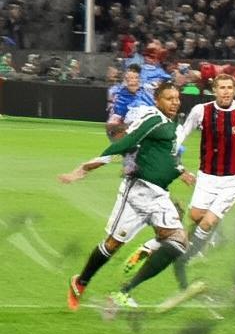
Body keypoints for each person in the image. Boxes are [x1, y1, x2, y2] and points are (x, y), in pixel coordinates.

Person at [120, 72, 235, 302]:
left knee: (208, 222)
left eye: (229, 88)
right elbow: (180, 136)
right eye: (221, 88)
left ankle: (185, 257)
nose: (226, 92)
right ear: (214, 90)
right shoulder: (201, 111)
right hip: (207, 176)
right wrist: (170, 158)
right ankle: (193, 241)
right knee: (196, 216)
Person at [58, 82, 195, 310]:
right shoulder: (152, 118)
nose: (175, 102)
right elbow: (126, 143)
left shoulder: (172, 124)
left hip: (159, 195)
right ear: (157, 100)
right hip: (137, 192)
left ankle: (125, 289)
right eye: (169, 98)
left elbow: (167, 155)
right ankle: (80, 282)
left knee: (179, 242)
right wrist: (84, 169)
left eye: (177, 98)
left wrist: (181, 171)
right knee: (113, 244)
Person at [105, 64, 155, 139]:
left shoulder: (147, 94)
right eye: (129, 78)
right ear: (125, 79)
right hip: (126, 126)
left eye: (135, 78)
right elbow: (114, 119)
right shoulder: (119, 94)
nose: (132, 80)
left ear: (139, 79)